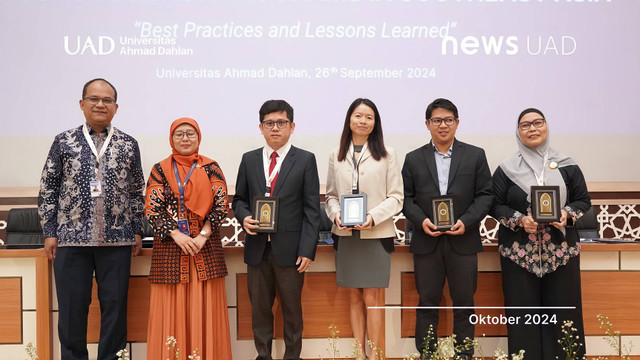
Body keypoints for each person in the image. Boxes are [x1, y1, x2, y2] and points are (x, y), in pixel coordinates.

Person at [38, 78, 144, 360]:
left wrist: (136, 229)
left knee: (115, 309)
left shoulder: (128, 144)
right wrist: (50, 231)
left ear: (116, 107)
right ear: (82, 104)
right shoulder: (63, 141)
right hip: (71, 240)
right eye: (94, 99)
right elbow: (49, 188)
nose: (100, 104)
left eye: (107, 100)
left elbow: (136, 191)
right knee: (72, 311)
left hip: (117, 240)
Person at [490, 108, 590, 359]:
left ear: (546, 127)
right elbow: (493, 204)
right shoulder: (506, 168)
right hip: (519, 255)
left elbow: (583, 200)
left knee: (564, 314)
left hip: (561, 253)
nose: (532, 129)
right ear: (518, 131)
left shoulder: (567, 165)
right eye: (525, 125)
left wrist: (567, 214)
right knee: (523, 317)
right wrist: (519, 219)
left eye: (537, 123)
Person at [401, 98, 492, 359]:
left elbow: (485, 195)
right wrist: (422, 221)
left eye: (448, 120)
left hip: (463, 241)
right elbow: (405, 199)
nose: (443, 125)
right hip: (426, 240)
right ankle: (427, 353)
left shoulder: (475, 155)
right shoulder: (413, 158)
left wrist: (467, 221)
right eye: (437, 120)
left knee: (464, 301)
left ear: (457, 123)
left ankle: (464, 353)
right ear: (427, 124)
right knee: (427, 301)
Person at [232, 100, 321, 360]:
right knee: (260, 310)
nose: (275, 128)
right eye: (269, 123)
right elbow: (239, 200)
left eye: (281, 123)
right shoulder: (249, 160)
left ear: (292, 127)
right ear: (261, 127)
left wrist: (307, 250)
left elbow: (311, 209)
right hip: (258, 249)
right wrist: (245, 216)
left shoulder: (305, 160)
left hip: (291, 251)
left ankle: (292, 356)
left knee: (292, 310)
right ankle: (263, 356)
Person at [144, 118, 232, 360]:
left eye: (190, 134)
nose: (185, 138)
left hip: (206, 248)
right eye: (179, 134)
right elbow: (153, 207)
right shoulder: (159, 169)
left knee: (207, 312)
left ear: (199, 137)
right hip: (171, 250)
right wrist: (176, 235)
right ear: (171, 138)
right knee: (171, 311)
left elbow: (221, 205)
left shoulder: (211, 167)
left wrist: (203, 235)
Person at [325, 98, 403, 360]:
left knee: (373, 296)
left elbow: (396, 197)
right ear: (349, 119)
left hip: (376, 233)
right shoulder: (335, 154)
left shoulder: (388, 154)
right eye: (358, 115)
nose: (362, 121)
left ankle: (377, 354)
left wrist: (371, 217)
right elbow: (331, 196)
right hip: (346, 235)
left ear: (375, 122)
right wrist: (336, 215)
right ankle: (360, 353)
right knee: (354, 296)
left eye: (368, 117)